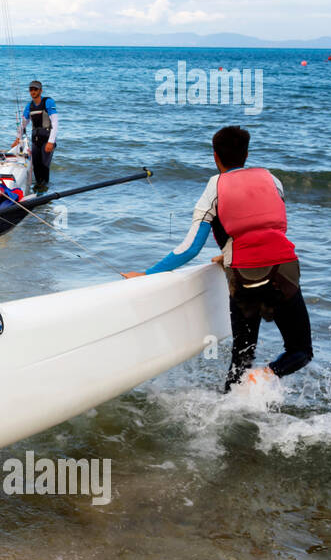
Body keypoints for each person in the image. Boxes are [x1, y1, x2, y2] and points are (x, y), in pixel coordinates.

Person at [124, 125, 313, 391]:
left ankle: (230, 400)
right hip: (284, 270)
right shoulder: (272, 179)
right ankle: (267, 375)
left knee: (242, 357)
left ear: (215, 156)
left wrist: (148, 274)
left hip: (243, 275)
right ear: (246, 154)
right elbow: (271, 228)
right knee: (301, 350)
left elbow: (191, 247)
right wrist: (227, 252)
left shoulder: (216, 185)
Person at [11, 79, 58, 192]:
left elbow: (55, 123)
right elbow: (23, 124)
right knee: (36, 166)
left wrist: (51, 141)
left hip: (47, 139)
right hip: (36, 140)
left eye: (35, 89)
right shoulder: (29, 106)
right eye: (31, 89)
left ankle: (45, 189)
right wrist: (18, 138)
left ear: (40, 91)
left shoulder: (48, 102)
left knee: (44, 165)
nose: (33, 92)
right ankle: (38, 189)